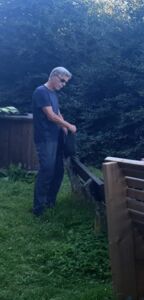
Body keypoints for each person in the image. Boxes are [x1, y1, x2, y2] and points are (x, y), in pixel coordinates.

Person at [32, 67, 77, 216]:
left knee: (58, 171)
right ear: (54, 76)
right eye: (62, 80)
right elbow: (51, 116)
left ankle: (50, 202)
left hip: (56, 137)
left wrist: (63, 127)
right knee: (47, 171)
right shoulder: (41, 92)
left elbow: (57, 113)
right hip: (45, 138)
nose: (63, 84)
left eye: (66, 82)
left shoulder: (53, 94)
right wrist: (69, 125)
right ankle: (38, 208)